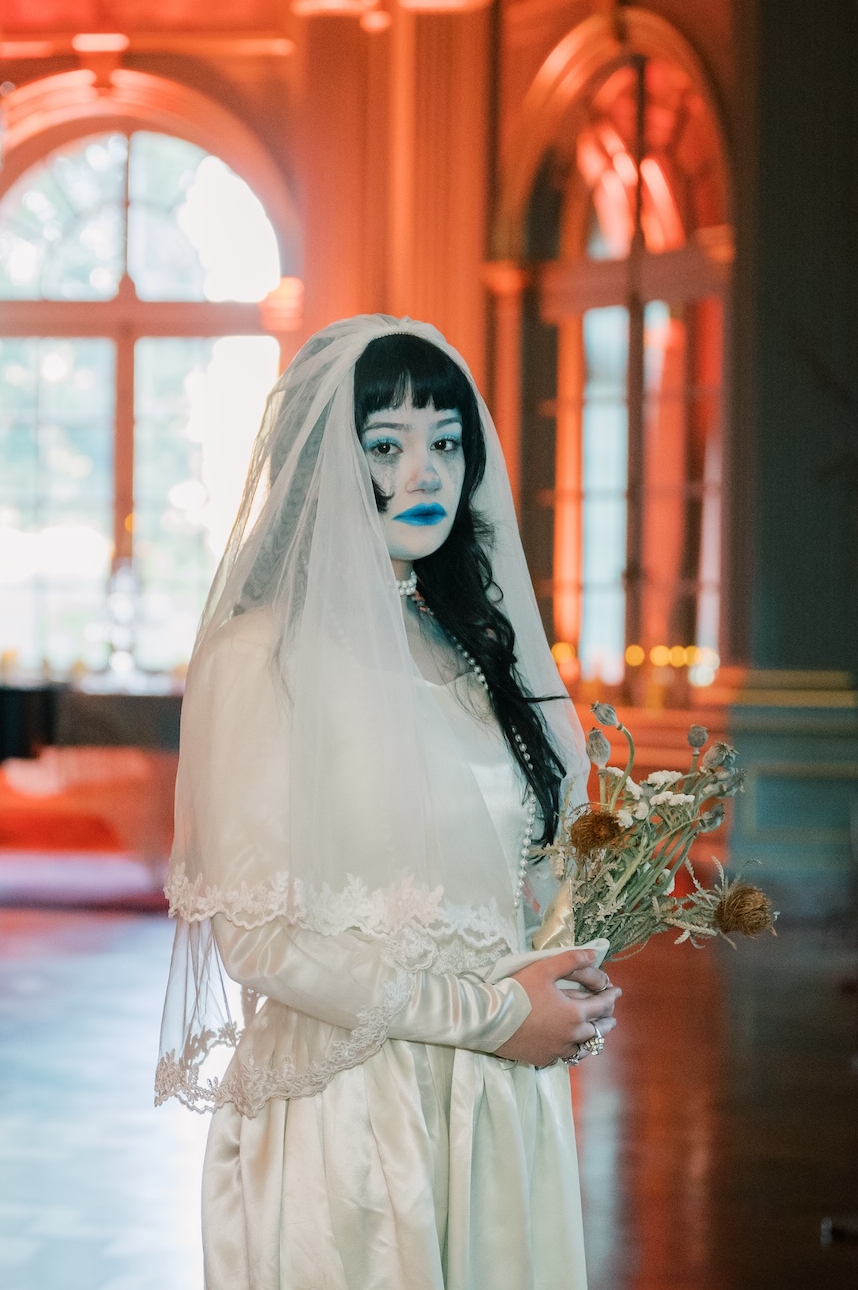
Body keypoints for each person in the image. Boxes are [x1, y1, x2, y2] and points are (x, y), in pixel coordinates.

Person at [156, 316, 620, 1289]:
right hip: (354, 1118)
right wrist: (491, 1012)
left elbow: (516, 882)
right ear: (322, 462)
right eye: (386, 444)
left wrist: (562, 980)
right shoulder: (259, 659)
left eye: (446, 442)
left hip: (496, 1104)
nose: (426, 473)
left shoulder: (475, 657)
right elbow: (258, 941)